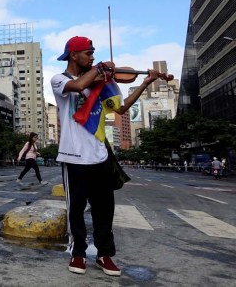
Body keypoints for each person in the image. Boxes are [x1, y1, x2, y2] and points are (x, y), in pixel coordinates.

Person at [51, 36, 161, 277]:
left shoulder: (100, 84)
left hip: (99, 155)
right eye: (88, 53)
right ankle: (78, 252)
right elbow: (78, 87)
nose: (91, 57)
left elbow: (121, 109)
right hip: (73, 156)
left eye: (93, 54)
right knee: (76, 208)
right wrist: (100, 68)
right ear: (73, 55)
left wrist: (145, 83)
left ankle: (104, 254)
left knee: (104, 208)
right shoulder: (60, 80)